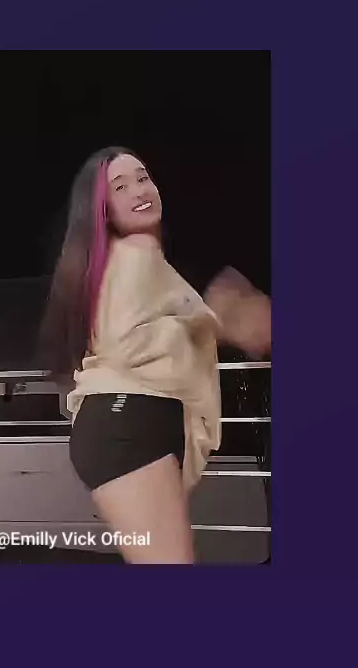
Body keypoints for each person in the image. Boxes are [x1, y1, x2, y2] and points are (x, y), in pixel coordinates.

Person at [39, 146, 271, 564]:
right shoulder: (135, 255)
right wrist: (210, 323)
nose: (139, 190)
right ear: (102, 209)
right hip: (127, 424)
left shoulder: (121, 265)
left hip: (128, 423)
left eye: (143, 178)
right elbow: (129, 344)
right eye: (120, 187)